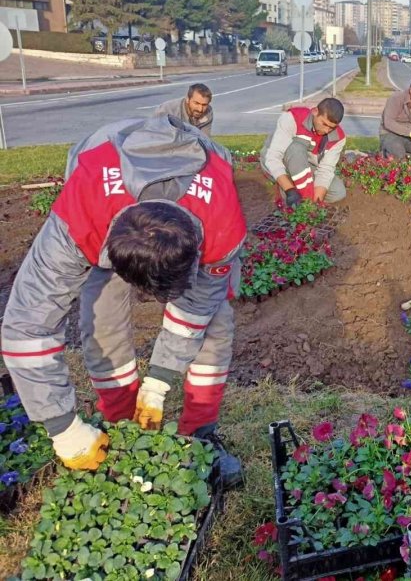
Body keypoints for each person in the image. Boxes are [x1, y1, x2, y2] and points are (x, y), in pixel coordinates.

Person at [0, 114, 247, 486]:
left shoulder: (222, 225)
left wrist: (159, 382)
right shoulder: (82, 213)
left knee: (216, 322)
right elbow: (27, 325)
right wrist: (62, 427)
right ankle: (119, 419)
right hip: (104, 189)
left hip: (198, 209)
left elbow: (196, 309)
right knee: (101, 315)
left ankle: (201, 431)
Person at [261, 98, 347, 206]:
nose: (326, 131)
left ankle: (303, 196)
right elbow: (272, 158)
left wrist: (314, 204)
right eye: (324, 124)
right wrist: (290, 190)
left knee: (338, 192)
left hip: (303, 164)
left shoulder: (338, 138)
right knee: (296, 148)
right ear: (315, 112)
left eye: (331, 128)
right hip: (275, 161)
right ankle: (288, 190)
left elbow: (325, 170)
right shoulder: (292, 118)